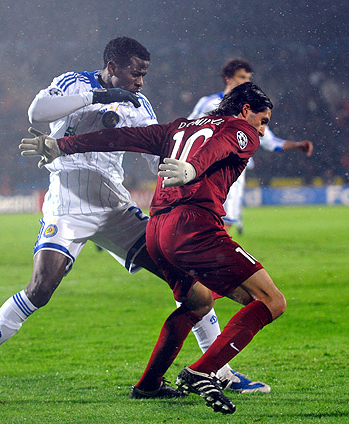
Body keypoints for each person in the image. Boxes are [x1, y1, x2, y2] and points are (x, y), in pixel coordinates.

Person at [0, 36, 253, 406]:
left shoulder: (139, 104)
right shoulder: (74, 83)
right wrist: (98, 97)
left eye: (144, 75)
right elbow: (37, 112)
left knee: (191, 284)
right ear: (112, 67)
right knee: (40, 288)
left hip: (115, 208)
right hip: (67, 205)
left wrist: (189, 169)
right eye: (135, 74)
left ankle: (219, 372)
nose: (140, 82)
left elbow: (155, 156)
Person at [21, 82, 286, 414]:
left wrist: (62, 145)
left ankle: (149, 385)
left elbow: (122, 138)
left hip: (157, 230)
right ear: (246, 110)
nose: (262, 130)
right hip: (194, 227)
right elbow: (219, 146)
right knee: (271, 301)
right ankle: (203, 371)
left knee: (198, 301)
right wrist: (193, 169)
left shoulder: (180, 127)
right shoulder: (239, 128)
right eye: (263, 121)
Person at [189, 58, 313, 233]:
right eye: (242, 77)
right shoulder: (208, 103)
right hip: (207, 170)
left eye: (248, 78)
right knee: (207, 223)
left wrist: (297, 145)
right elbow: (187, 129)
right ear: (228, 78)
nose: (246, 81)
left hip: (234, 174)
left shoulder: (251, 111)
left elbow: (270, 142)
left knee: (224, 223)